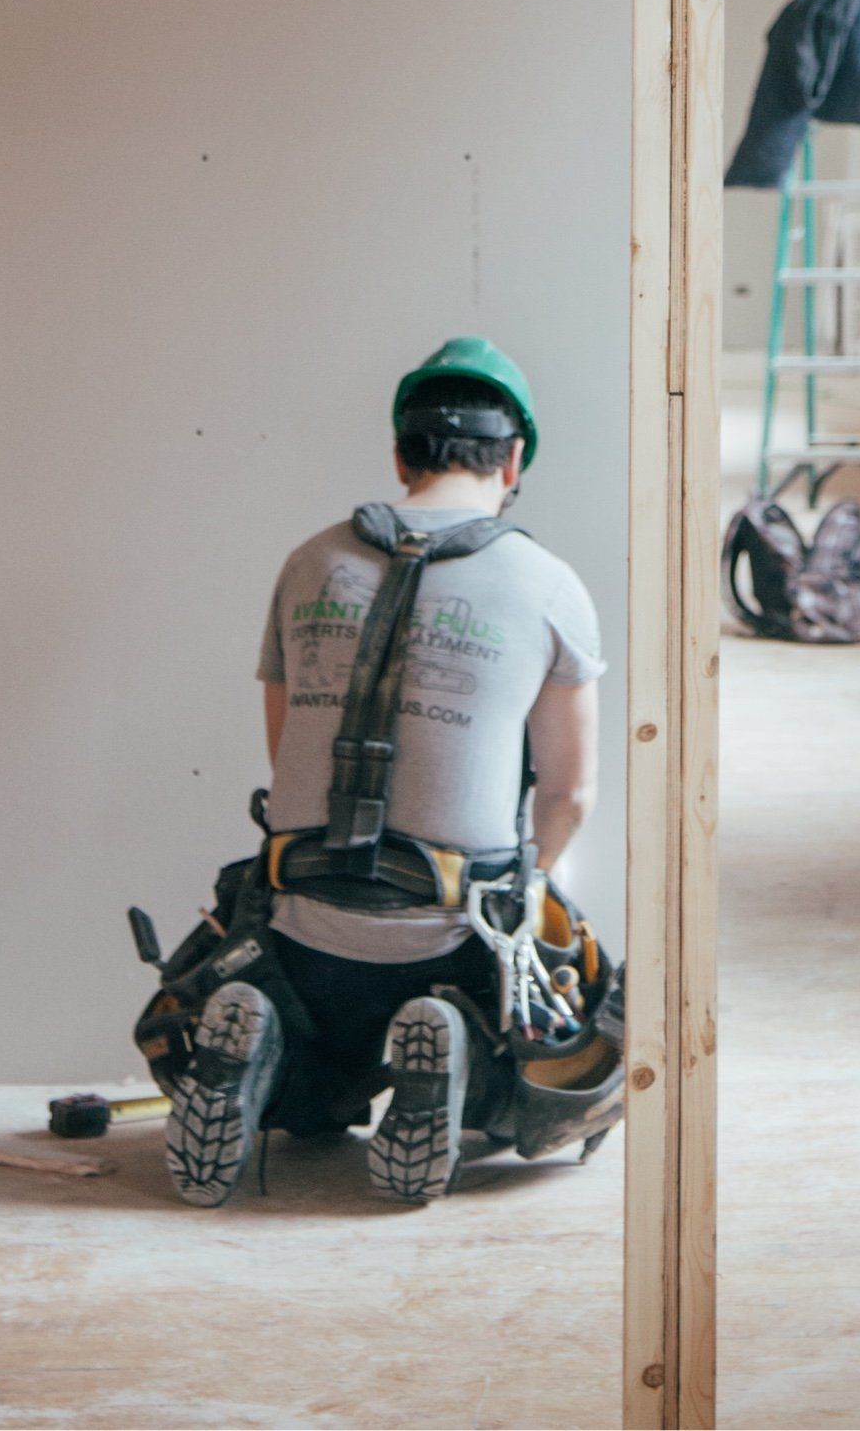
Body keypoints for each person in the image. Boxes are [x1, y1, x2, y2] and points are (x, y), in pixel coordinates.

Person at [164, 337, 606, 1206]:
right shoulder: (548, 583)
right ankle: (457, 1047)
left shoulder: (309, 563)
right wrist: (532, 891)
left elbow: (286, 752)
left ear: (401, 455)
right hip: (448, 933)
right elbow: (568, 794)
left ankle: (274, 1061)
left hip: (299, 932)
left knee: (314, 1091)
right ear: (513, 460)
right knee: (572, 1046)